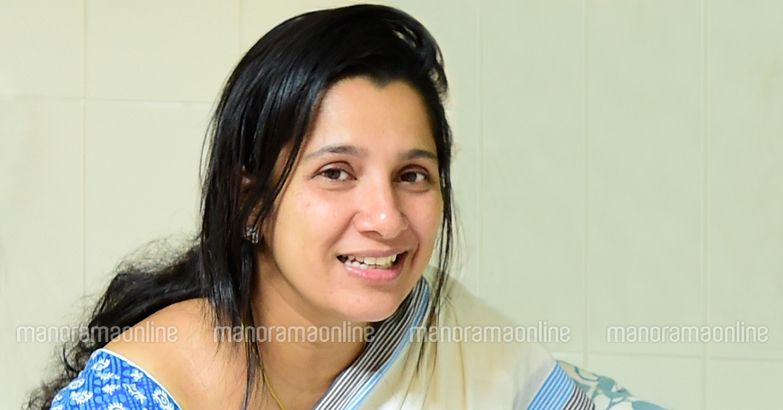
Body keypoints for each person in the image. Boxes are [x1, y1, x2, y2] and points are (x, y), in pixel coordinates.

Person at [28, 4, 641, 409]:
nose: (387, 218)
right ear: (251, 202)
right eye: (336, 173)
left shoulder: (457, 345)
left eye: (412, 175)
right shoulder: (139, 393)